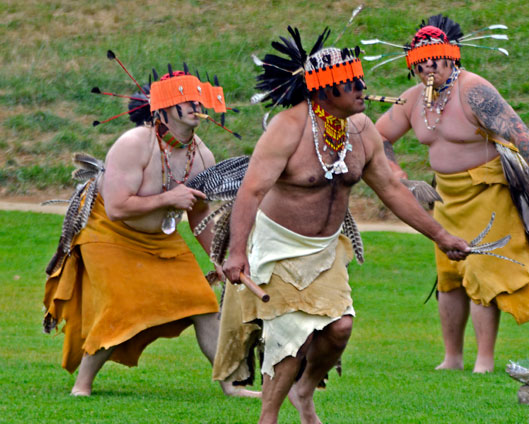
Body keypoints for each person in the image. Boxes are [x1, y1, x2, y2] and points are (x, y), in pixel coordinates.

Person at [218, 27, 469, 424]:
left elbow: (391, 189)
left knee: (340, 330)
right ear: (324, 90)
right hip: (279, 247)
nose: (362, 88)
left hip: (325, 250)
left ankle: (305, 391)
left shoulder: (362, 130)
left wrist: (442, 236)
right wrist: (236, 253)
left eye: (360, 79)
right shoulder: (288, 129)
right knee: (290, 340)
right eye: (350, 83)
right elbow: (250, 192)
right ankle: (268, 418)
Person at [42, 65, 250, 397]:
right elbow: (117, 207)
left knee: (203, 303)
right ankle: (82, 386)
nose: (199, 107)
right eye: (189, 101)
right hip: (108, 234)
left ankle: (232, 386)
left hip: (160, 239)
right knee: (122, 305)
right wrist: (169, 197)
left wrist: (220, 259)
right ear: (165, 108)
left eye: (200, 101)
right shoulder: (134, 144)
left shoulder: (202, 155)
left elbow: (199, 216)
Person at [374, 15, 529, 373]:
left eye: (435, 59)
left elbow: (519, 132)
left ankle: (484, 361)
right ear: (412, 66)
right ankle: (452, 358)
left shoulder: (475, 90)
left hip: (488, 190)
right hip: (447, 196)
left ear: (452, 57)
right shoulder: (413, 100)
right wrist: (394, 170)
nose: (429, 67)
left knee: (481, 273)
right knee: (449, 276)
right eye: (420, 62)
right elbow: (378, 136)